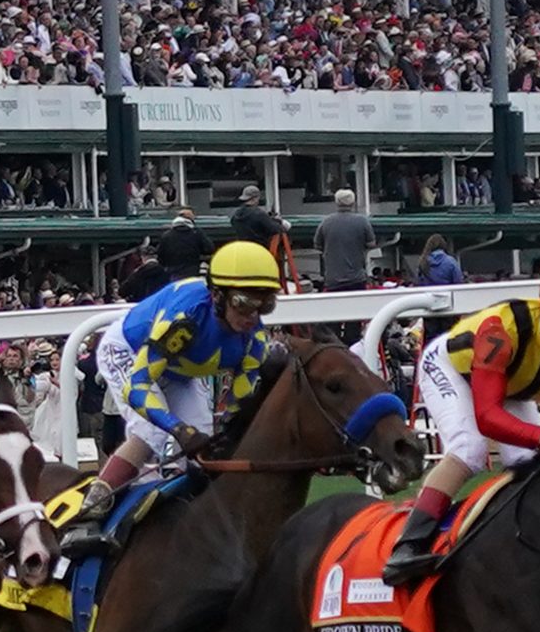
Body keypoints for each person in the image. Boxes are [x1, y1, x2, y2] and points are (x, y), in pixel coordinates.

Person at [384, 253, 540, 589]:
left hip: (509, 383)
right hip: (453, 368)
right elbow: (486, 418)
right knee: (470, 448)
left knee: (530, 463)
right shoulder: (501, 331)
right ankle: (408, 545)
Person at [62, 241, 284, 558]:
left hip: (180, 372)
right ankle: (93, 507)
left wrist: (221, 431)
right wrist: (177, 429)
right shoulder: (187, 314)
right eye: (244, 303)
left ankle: (192, 515)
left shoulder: (255, 340)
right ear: (218, 295)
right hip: (129, 352)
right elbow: (139, 383)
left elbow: (237, 405)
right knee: (153, 431)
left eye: (265, 306)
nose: (252, 316)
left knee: (204, 438)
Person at [314, 185, 376, 290]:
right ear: (353, 203)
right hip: (357, 279)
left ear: (336, 202)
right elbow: (371, 244)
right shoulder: (362, 221)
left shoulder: (326, 222)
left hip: (332, 280)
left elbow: (317, 245)